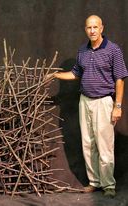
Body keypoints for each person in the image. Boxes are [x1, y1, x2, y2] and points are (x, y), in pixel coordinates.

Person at [46, 15, 128, 198]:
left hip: (104, 101)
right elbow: (76, 74)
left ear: (101, 28)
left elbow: (120, 79)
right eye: (89, 27)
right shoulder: (83, 50)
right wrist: (55, 76)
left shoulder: (113, 50)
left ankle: (108, 185)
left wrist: (118, 106)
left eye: (95, 27)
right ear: (85, 29)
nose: (92, 30)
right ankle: (94, 182)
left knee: (105, 145)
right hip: (85, 101)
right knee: (88, 143)